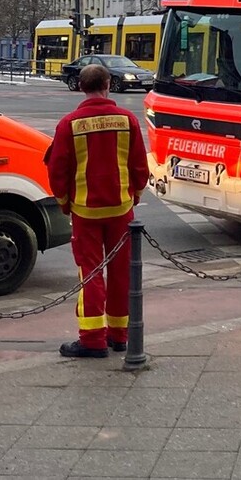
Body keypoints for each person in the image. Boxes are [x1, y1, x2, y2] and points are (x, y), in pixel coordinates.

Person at [46, 64, 148, 358]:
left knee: (90, 273)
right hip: (121, 210)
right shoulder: (127, 119)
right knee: (121, 273)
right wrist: (134, 196)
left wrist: (66, 203)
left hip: (85, 212)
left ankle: (92, 339)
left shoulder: (69, 123)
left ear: (81, 86)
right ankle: (119, 336)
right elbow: (140, 166)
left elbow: (58, 172)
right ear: (107, 83)